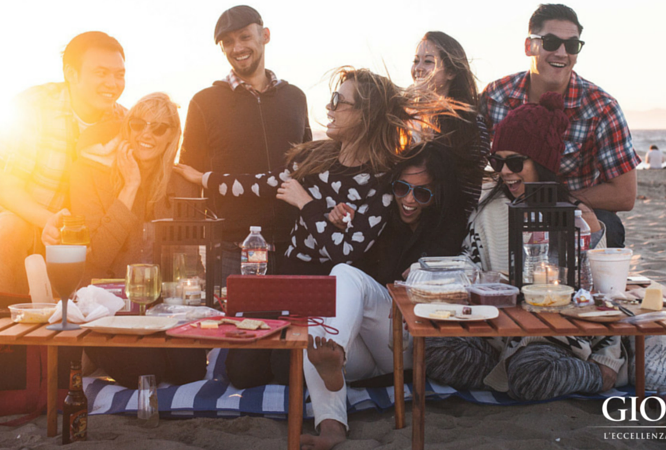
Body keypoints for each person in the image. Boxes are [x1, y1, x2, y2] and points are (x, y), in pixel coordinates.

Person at [175, 67, 456, 388]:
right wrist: (204, 178)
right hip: (288, 281)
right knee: (241, 372)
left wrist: (306, 204)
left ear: (365, 115)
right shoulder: (313, 158)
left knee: (286, 369)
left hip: (330, 297)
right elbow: (259, 184)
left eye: (339, 101)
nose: (329, 108)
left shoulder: (380, 180)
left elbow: (344, 255)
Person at [426, 92, 627, 401]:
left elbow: (597, 295)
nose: (505, 171)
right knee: (431, 348)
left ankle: (595, 377)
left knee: (530, 372)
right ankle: (510, 371)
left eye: (515, 162)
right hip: (496, 331)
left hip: (554, 334)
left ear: (542, 162)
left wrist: (604, 358)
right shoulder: (484, 205)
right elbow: (469, 262)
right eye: (498, 161)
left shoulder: (576, 216)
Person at [302, 142, 471, 450]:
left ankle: (335, 355)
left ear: (439, 194)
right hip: (364, 350)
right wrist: (343, 222)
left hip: (408, 340)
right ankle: (331, 425)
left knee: (343, 275)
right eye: (401, 187)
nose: (408, 200)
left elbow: (455, 282)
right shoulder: (379, 216)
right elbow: (354, 272)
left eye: (422, 193)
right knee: (313, 326)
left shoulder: (450, 223)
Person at [42, 93, 207, 389]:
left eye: (158, 128)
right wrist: (129, 188)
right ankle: (95, 353)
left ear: (172, 135)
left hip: (161, 307)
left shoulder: (181, 182)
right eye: (138, 124)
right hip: (109, 307)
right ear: (126, 127)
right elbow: (96, 259)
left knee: (190, 371)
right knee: (148, 371)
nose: (146, 134)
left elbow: (189, 264)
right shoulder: (89, 175)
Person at [0, 31, 126, 294]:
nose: (112, 83)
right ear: (71, 74)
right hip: (25, 212)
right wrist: (50, 221)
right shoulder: (32, 107)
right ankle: (4, 318)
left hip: (83, 227)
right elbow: (8, 189)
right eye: (101, 73)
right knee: (11, 228)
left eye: (119, 74)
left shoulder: (124, 121)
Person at [478, 4, 640, 248]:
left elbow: (625, 195)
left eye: (572, 45)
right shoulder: (495, 96)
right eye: (551, 42)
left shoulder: (601, 107)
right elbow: (471, 162)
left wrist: (553, 200)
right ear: (529, 46)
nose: (562, 53)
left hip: (569, 210)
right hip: (505, 204)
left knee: (608, 225)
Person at [179, 5, 312, 281]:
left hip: (294, 247)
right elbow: (189, 178)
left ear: (265, 35)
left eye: (244, 37)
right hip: (232, 250)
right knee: (234, 325)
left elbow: (308, 167)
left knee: (295, 324)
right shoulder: (204, 102)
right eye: (227, 42)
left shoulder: (295, 98)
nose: (236, 47)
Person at [410, 31, 488, 213]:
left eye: (428, 61)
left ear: (451, 72)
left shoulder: (471, 126)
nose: (418, 68)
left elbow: (468, 196)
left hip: (445, 228)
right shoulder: (403, 119)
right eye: (415, 60)